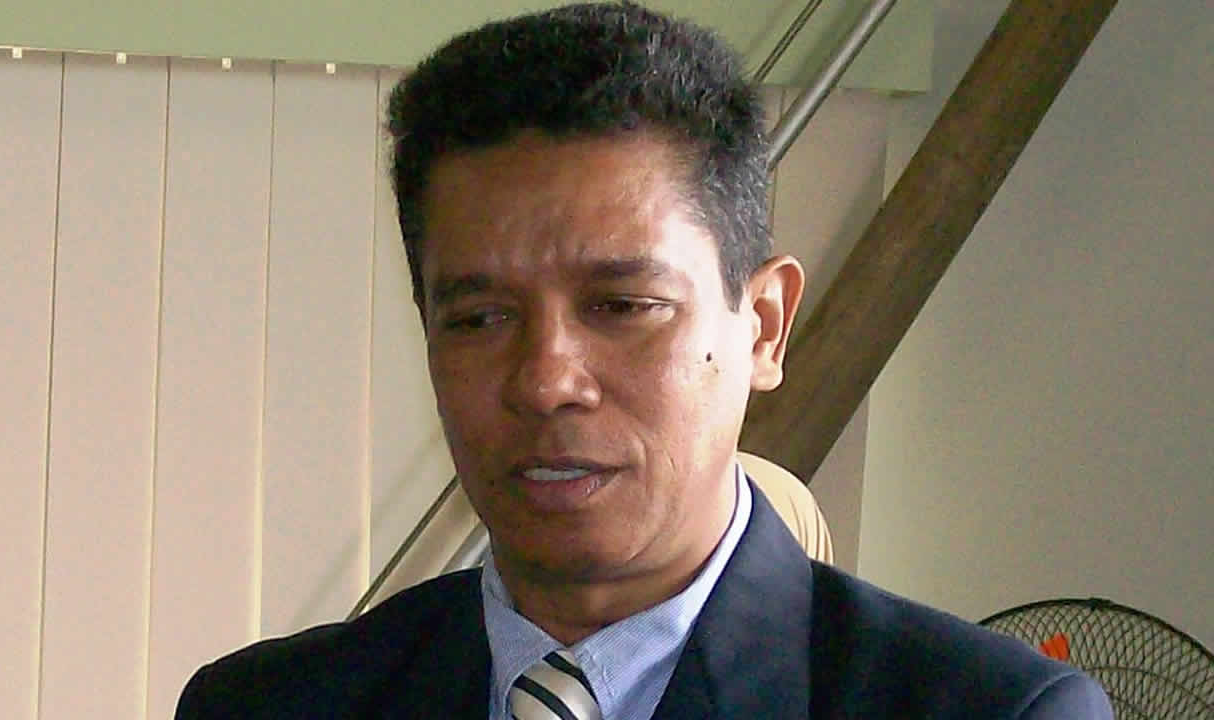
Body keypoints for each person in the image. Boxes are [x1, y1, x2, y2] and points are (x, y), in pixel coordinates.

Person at [175, 3, 1113, 718]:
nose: (546, 380)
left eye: (622, 307)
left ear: (764, 328)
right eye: (481, 318)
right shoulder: (265, 706)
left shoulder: (987, 711)